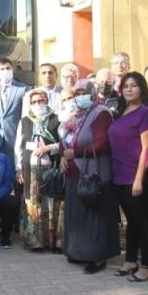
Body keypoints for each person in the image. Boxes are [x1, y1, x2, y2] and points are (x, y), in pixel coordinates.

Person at [59, 80, 119, 272]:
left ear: (92, 94)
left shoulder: (100, 113)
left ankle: (97, 257)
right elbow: (64, 142)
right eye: (77, 94)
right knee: (78, 217)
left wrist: (76, 153)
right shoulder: (76, 116)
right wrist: (63, 156)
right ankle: (79, 252)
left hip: (93, 175)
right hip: (74, 175)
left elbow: (103, 143)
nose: (80, 97)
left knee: (95, 218)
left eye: (84, 93)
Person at [108, 72, 148, 281]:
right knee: (130, 221)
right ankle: (130, 261)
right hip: (119, 175)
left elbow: (147, 149)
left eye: (134, 85)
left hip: (135, 176)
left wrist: (138, 178)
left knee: (143, 221)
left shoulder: (146, 113)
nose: (129, 89)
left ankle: (147, 265)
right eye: (126, 86)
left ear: (142, 88)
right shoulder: (122, 112)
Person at [15, 89, 62, 251]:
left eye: (40, 100)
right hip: (31, 168)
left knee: (50, 203)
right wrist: (18, 169)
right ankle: (35, 241)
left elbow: (63, 144)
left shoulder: (56, 119)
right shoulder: (25, 121)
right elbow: (18, 147)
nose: (37, 104)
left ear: (47, 101)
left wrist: (48, 148)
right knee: (33, 203)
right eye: (34, 102)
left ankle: (51, 241)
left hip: (51, 168)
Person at [0, 57, 27, 170]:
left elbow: (25, 116)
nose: (5, 71)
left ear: (12, 70)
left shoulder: (23, 89)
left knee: (14, 172)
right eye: (2, 69)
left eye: (8, 68)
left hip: (15, 139)